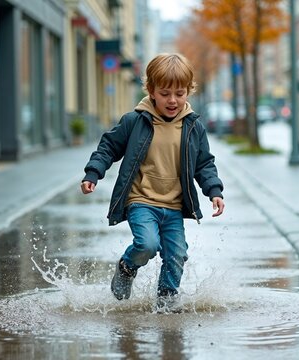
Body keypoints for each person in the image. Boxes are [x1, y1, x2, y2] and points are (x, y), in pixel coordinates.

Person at [80, 53, 225, 312]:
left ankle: (167, 299)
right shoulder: (135, 121)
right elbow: (108, 148)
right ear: (151, 91)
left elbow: (204, 164)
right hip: (141, 201)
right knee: (147, 245)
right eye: (165, 93)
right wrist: (93, 173)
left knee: (177, 254)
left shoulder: (193, 127)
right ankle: (127, 266)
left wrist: (214, 191)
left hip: (173, 206)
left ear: (188, 92)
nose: (172, 100)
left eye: (179, 93)